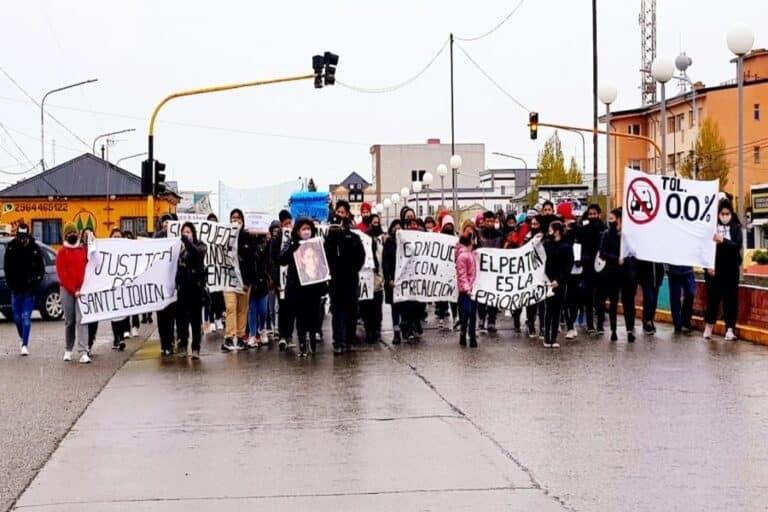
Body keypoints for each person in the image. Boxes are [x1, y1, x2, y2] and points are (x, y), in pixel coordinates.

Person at [280, 218, 327, 356]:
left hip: (313, 288)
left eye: (308, 228)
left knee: (313, 316)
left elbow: (323, 265)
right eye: (303, 229)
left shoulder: (317, 244)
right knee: (300, 318)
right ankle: (302, 344)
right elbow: (281, 259)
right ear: (298, 231)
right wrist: (293, 247)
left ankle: (312, 340)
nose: (306, 231)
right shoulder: (292, 243)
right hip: (297, 289)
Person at [325, 204, 365, 355]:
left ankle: (349, 340)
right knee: (337, 312)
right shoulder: (328, 241)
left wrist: (353, 269)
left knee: (351, 312)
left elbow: (361, 257)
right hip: (335, 282)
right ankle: (338, 342)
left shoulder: (353, 238)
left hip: (350, 280)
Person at [596, 208, 638, 343]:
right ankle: (613, 330)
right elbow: (602, 253)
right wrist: (616, 258)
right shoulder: (606, 235)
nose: (610, 222)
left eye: (612, 219)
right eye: (609, 219)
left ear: (619, 219)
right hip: (612, 272)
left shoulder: (627, 235)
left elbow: (634, 250)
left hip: (627, 272)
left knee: (628, 303)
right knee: (613, 301)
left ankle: (629, 330)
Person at [3, 223, 44, 356]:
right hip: (16, 289)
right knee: (16, 317)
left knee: (26, 317)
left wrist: (35, 282)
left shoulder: (34, 248)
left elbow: (40, 268)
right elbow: (7, 267)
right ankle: (22, 337)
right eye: (20, 237)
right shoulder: (11, 247)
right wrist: (11, 283)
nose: (22, 240)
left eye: (24, 237)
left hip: (29, 290)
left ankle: (25, 344)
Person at [704, 200, 743, 341]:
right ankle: (709, 327)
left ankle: (730, 329)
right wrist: (708, 266)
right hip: (715, 270)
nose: (725, 216)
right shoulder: (712, 227)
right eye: (722, 213)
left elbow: (736, 246)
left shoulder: (736, 228)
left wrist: (723, 240)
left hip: (731, 271)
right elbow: (706, 248)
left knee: (730, 301)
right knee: (713, 300)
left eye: (727, 213)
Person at [56, 222, 91, 363]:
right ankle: (68, 349)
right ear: (65, 236)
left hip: (82, 290)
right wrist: (73, 289)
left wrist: (82, 288)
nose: (72, 235)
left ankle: (83, 351)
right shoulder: (62, 252)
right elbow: (62, 273)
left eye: (74, 233)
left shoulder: (83, 250)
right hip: (67, 290)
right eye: (69, 234)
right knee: (70, 321)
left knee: (82, 320)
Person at [222, 208, 254, 352]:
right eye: (233, 218)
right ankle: (229, 337)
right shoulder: (223, 236)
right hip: (228, 279)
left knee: (242, 309)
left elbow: (251, 261)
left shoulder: (247, 237)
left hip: (244, 282)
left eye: (238, 218)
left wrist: (247, 282)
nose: (235, 220)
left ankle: (241, 337)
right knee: (230, 308)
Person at [175, 222, 208, 359]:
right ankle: (183, 345)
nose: (186, 234)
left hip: (196, 289)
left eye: (188, 232)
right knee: (182, 321)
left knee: (195, 321)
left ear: (193, 233)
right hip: (182, 289)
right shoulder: (177, 249)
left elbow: (196, 254)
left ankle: (196, 347)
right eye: (184, 232)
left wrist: (187, 242)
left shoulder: (200, 246)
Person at [543, 221, 574, 348]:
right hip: (547, 281)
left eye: (550, 229)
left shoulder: (566, 246)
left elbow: (568, 266)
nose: (548, 232)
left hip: (560, 282)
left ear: (556, 231)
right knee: (548, 310)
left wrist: (559, 280)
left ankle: (554, 337)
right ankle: (546, 337)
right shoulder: (546, 245)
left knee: (557, 310)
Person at [576, 204, 605, 335]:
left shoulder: (604, 229)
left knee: (600, 296)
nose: (592, 216)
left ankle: (600, 324)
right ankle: (590, 324)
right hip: (587, 266)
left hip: (600, 266)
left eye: (594, 214)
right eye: (590, 214)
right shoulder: (583, 229)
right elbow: (578, 244)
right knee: (588, 297)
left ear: (599, 214)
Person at [270, 209, 295, 351]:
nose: (288, 225)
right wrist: (277, 282)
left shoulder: (293, 237)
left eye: (290, 223)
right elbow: (273, 261)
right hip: (281, 282)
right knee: (283, 307)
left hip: (291, 281)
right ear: (281, 224)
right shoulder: (276, 239)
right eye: (286, 223)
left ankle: (289, 335)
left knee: (291, 308)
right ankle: (283, 336)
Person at [477, 211, 504, 333]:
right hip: (482, 270)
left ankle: (492, 320)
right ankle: (482, 318)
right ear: (484, 221)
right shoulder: (479, 235)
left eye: (492, 221)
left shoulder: (500, 235)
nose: (490, 223)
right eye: (488, 221)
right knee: (482, 296)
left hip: (495, 270)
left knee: (494, 296)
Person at [360, 213, 384, 344]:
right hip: (366, 278)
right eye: (374, 222)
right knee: (367, 308)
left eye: (378, 222)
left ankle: (377, 330)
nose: (376, 225)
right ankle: (369, 330)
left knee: (377, 308)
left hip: (378, 279)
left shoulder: (381, 240)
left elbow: (382, 259)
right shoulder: (364, 240)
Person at [456, 220, 479, 348]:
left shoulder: (473, 254)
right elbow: (462, 274)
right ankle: (463, 332)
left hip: (473, 289)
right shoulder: (463, 255)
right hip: (465, 291)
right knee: (467, 311)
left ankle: (472, 335)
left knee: (472, 313)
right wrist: (466, 288)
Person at [246, 231, 271, 348]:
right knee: (252, 310)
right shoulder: (247, 243)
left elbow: (268, 259)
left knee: (263, 310)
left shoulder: (265, 243)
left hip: (262, 282)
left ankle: (262, 329)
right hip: (251, 281)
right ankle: (252, 334)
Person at [524, 215, 546, 338]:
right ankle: (531, 324)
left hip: (542, 273)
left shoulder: (545, 237)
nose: (534, 226)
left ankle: (542, 326)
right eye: (532, 224)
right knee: (530, 300)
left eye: (536, 224)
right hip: (530, 273)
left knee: (542, 301)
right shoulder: (527, 237)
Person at [108, 228, 129, 352]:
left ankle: (121, 337)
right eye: (114, 236)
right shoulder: (106, 251)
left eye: (119, 236)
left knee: (123, 311)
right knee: (114, 313)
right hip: (111, 285)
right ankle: (116, 336)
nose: (116, 239)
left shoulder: (126, 250)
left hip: (123, 285)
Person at [383, 219, 403, 344]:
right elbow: (385, 263)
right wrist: (389, 278)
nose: (397, 229)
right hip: (393, 280)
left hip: (404, 280)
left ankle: (405, 327)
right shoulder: (389, 243)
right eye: (395, 227)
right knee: (395, 308)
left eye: (399, 227)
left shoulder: (406, 242)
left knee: (404, 306)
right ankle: (396, 332)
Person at [204, 213, 224, 333]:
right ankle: (210, 320)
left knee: (218, 297)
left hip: (219, 272)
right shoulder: (204, 238)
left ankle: (218, 318)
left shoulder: (221, 237)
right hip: (208, 272)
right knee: (209, 297)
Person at [637, 259, 665, 336]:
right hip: (646, 277)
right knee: (649, 298)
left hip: (657, 278)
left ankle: (650, 319)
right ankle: (647, 320)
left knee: (654, 300)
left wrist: (661, 274)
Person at [123, 230, 141, 337]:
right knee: (125, 306)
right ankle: (126, 329)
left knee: (134, 306)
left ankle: (135, 326)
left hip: (134, 281)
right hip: (124, 282)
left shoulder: (136, 251)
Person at [667, 264, 695, 334]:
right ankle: (677, 324)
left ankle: (685, 321)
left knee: (690, 293)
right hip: (673, 271)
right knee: (675, 297)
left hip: (688, 270)